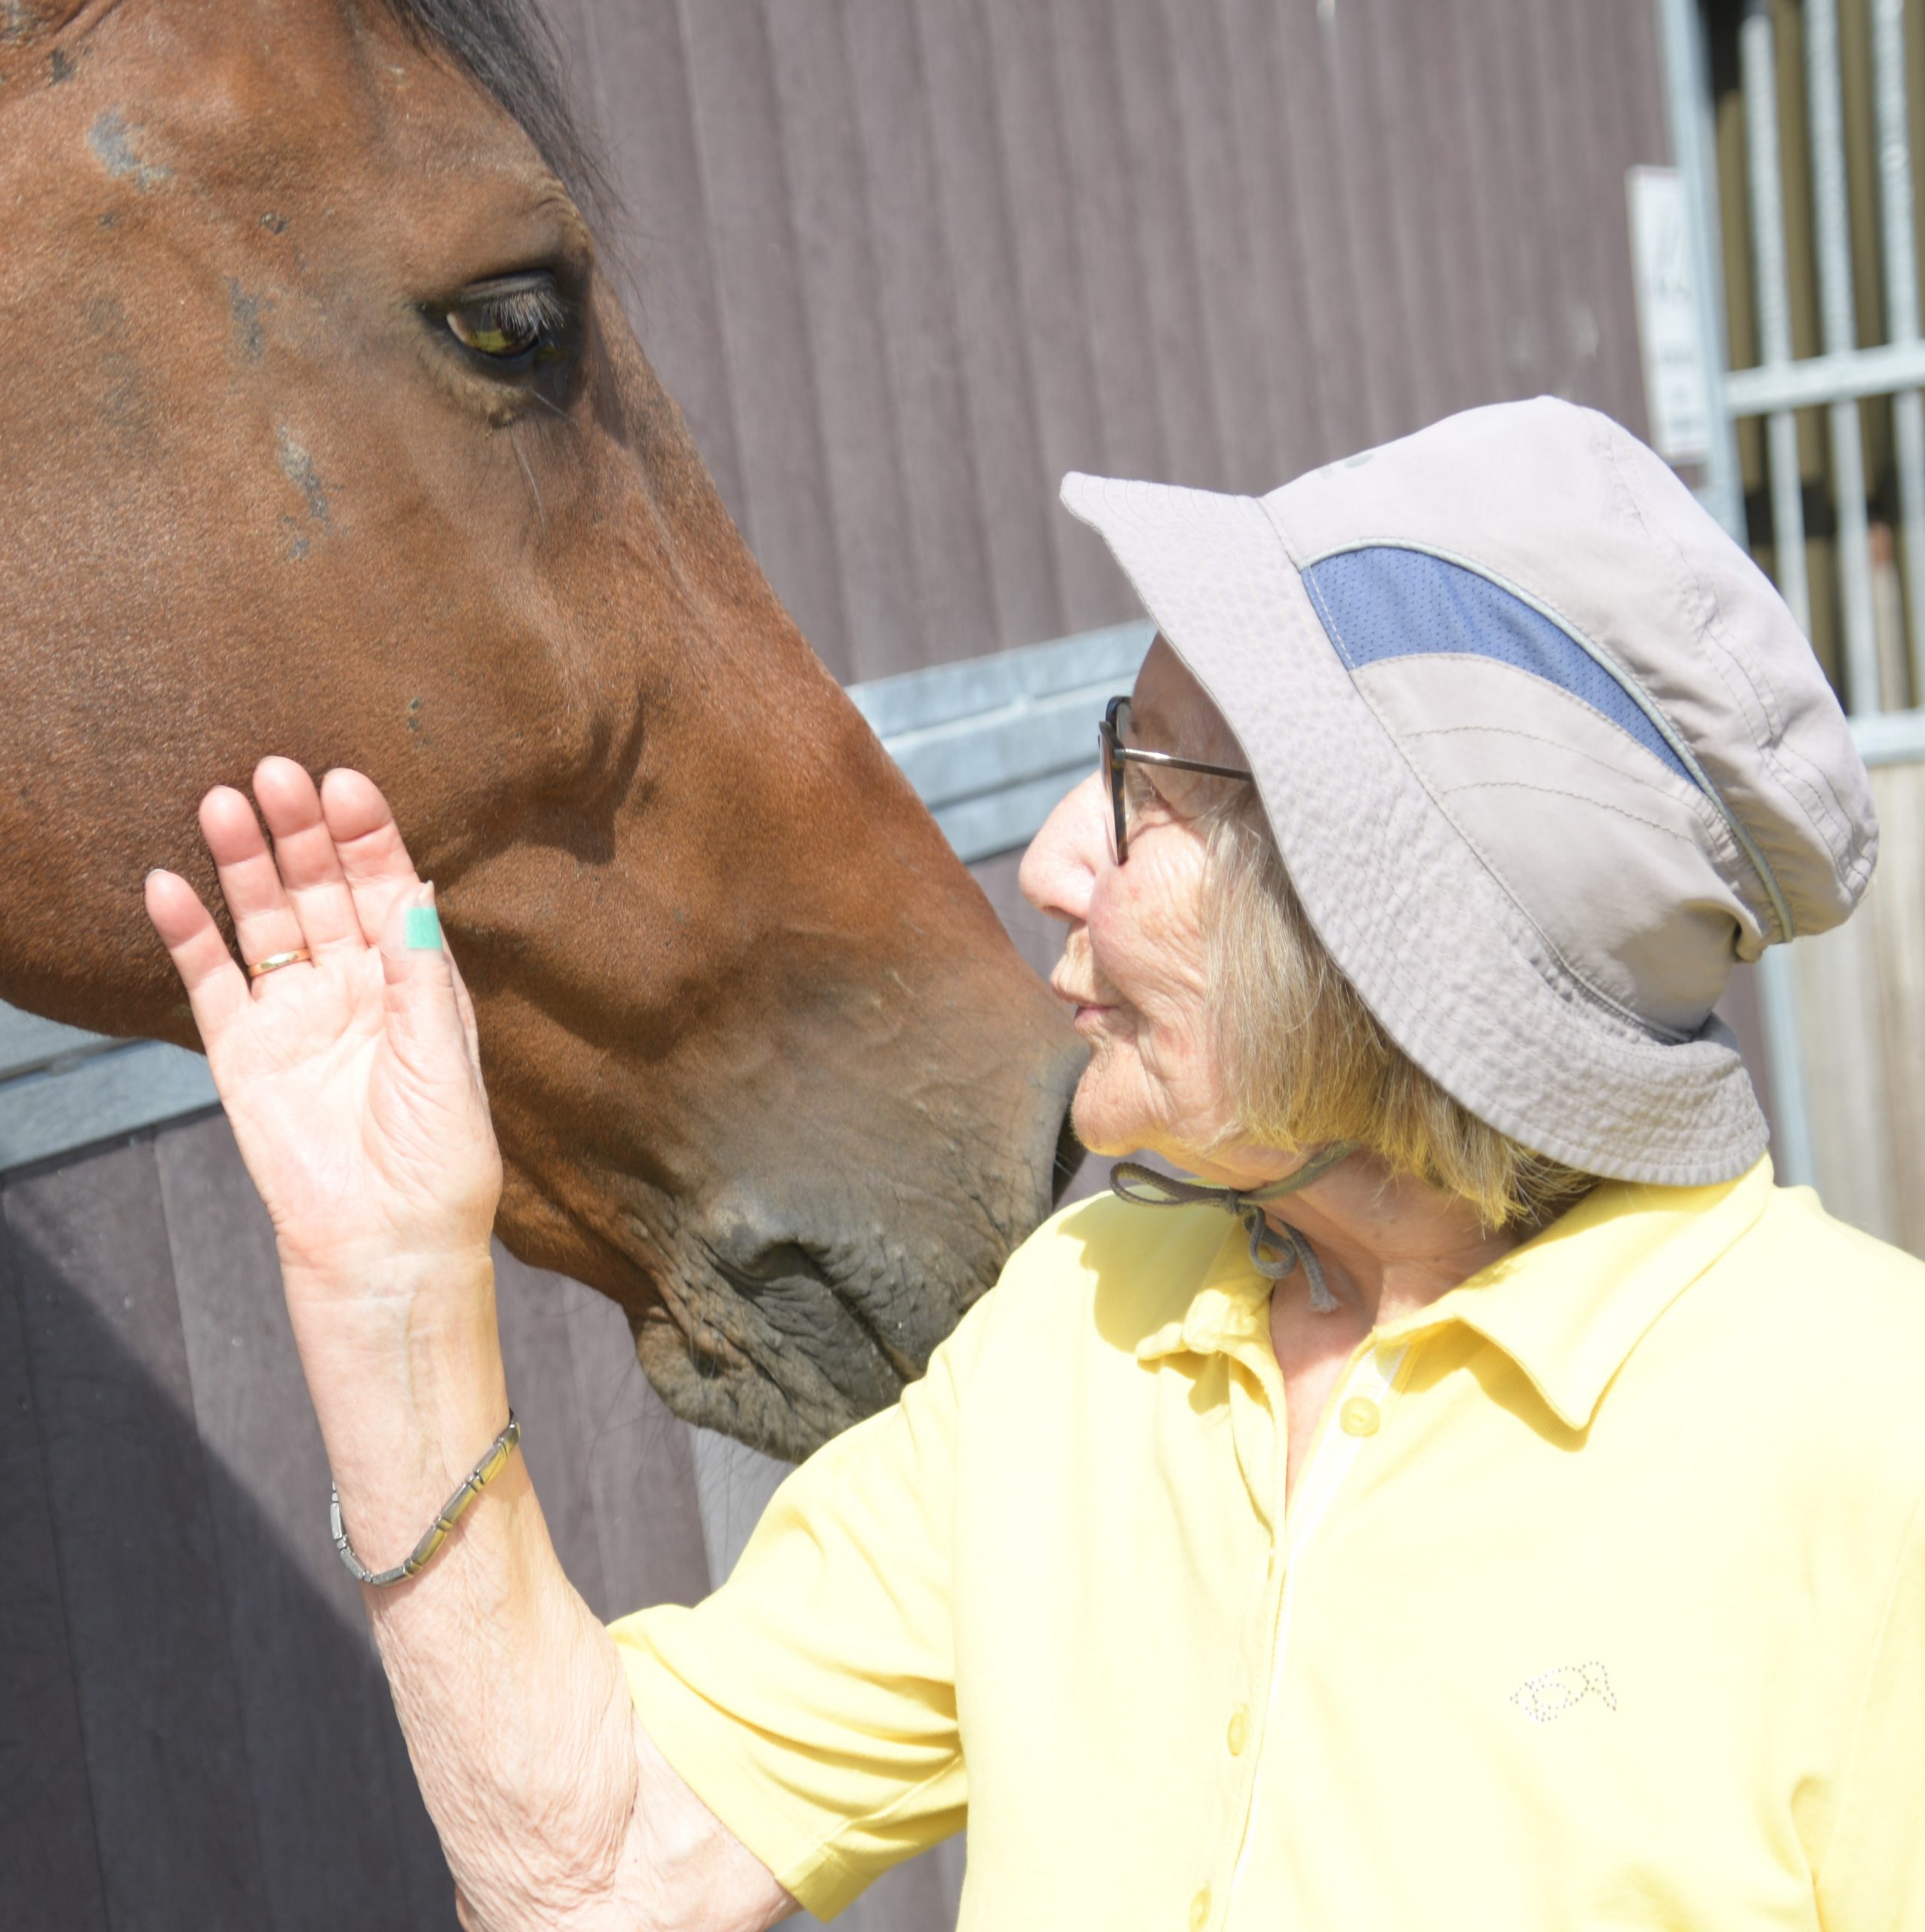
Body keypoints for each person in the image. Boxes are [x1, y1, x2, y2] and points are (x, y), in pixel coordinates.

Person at [144, 398, 1925, 1931]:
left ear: (1401, 937)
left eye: (1144, 790)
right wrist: (386, 1280)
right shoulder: (1082, 1323)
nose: (1055, 856)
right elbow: (599, 1866)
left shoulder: (1862, 1429)